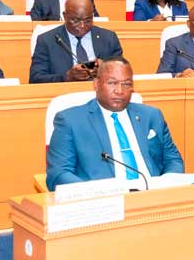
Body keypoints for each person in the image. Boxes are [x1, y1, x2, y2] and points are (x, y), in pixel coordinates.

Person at [45, 56, 184, 191]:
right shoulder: (70, 120)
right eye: (112, 83)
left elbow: (173, 160)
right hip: (102, 200)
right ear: (96, 84)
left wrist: (167, 185)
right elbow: (58, 174)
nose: (120, 91)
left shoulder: (151, 116)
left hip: (152, 195)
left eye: (126, 84)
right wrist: (95, 193)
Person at [29, 0, 123, 84]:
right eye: (76, 20)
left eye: (88, 20)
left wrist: (107, 68)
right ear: (65, 16)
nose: (82, 26)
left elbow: (122, 72)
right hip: (64, 93)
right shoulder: (47, 41)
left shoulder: (108, 38)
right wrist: (66, 77)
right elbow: (35, 79)